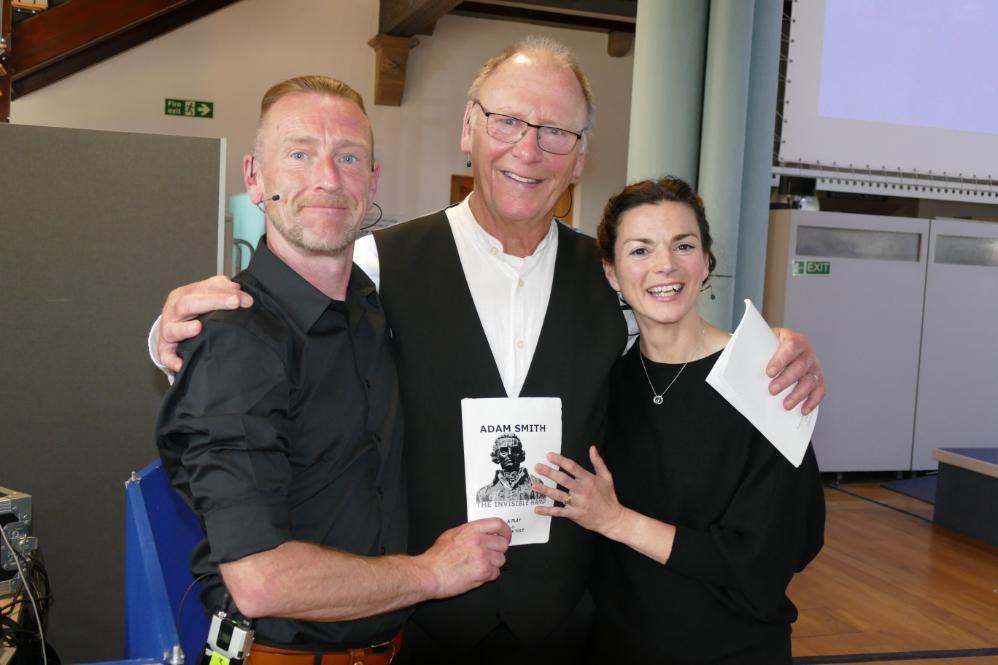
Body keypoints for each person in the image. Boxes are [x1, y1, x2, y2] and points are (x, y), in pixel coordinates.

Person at [151, 38, 825, 662]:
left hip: (571, 628)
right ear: (469, 129)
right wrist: (168, 336)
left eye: (555, 131)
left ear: (581, 154)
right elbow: (276, 317)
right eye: (507, 122)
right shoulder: (373, 262)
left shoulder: (614, 277)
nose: (528, 151)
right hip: (416, 631)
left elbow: (683, 334)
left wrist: (777, 348)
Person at [155, 75, 510, 665]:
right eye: (298, 155)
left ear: (372, 179)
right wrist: (431, 574)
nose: (327, 178)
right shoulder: (233, 339)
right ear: (254, 178)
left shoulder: (371, 307)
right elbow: (261, 579)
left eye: (348, 157)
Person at [532, 176, 825, 663]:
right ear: (611, 271)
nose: (665, 265)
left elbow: (771, 555)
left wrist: (617, 520)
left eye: (683, 245)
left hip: (732, 649)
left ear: (706, 262)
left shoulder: (767, 377)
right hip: (616, 645)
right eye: (640, 250)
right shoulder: (607, 383)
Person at [476, 434, 546, 505]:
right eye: (504, 451)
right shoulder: (484, 493)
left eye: (514, 450)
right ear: (496, 456)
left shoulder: (536, 484)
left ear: (521, 454)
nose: (509, 454)